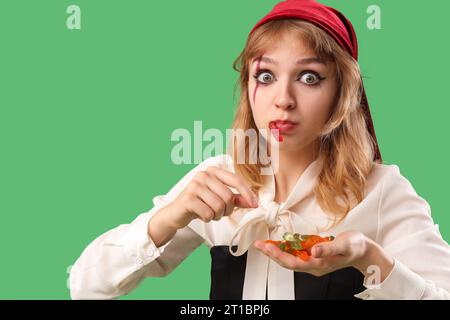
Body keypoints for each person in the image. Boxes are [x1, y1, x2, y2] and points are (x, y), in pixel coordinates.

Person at [69, 0, 450, 300]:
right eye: (265, 77)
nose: (283, 100)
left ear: (342, 94)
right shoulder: (218, 176)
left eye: (309, 77)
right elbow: (86, 286)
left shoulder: (382, 191)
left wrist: (370, 257)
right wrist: (170, 217)